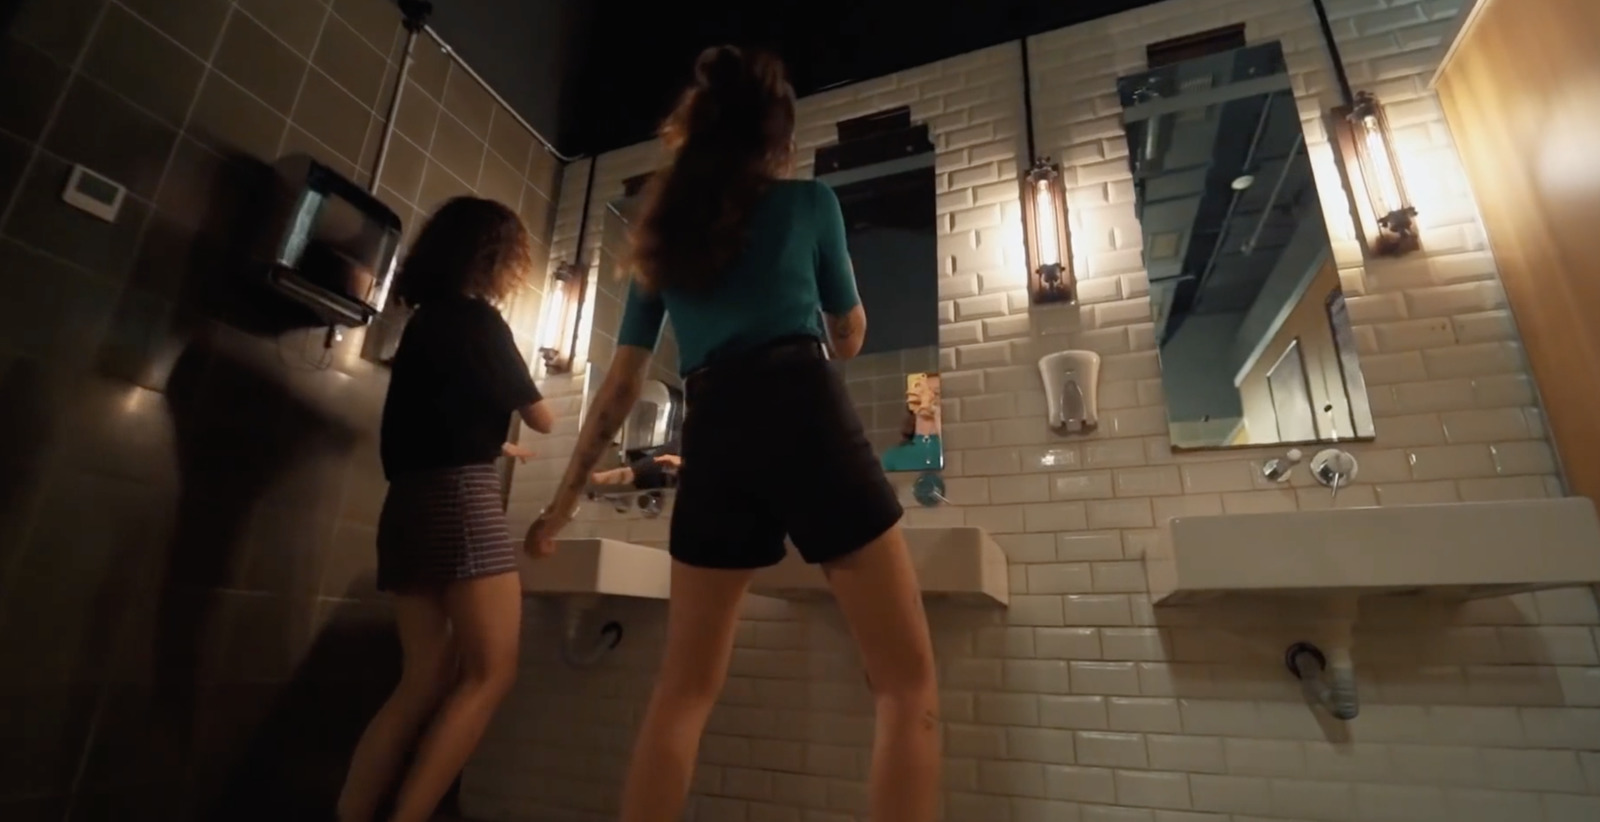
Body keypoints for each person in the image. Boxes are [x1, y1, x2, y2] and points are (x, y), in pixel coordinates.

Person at [524, 45, 941, 822]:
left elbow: (620, 387)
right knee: (905, 685)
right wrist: (827, 320)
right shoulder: (812, 205)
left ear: (696, 132)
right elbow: (848, 335)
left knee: (682, 693)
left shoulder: (665, 240)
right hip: (803, 404)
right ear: (776, 139)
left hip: (715, 423)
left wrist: (562, 502)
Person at [337, 196, 555, 822]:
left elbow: (434, 421)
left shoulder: (425, 324)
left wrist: (495, 436)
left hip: (406, 508)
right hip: (461, 503)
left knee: (422, 681)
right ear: (491, 258)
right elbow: (544, 417)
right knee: (491, 673)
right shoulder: (478, 321)